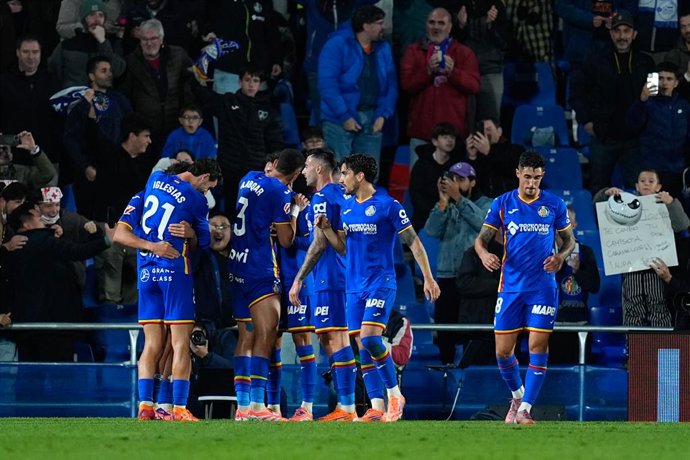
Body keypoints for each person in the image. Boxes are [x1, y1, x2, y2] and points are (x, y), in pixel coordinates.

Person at [299, 153, 440, 422]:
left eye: (345, 173)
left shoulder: (388, 205)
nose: (341, 179)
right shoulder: (349, 207)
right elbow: (342, 248)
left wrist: (428, 278)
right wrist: (327, 229)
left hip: (381, 283)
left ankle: (395, 395)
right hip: (354, 287)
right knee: (362, 347)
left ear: (359, 176)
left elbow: (414, 242)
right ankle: (376, 407)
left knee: (371, 339)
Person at [114, 158, 222, 422]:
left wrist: (151, 246)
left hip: (147, 272)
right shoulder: (196, 200)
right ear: (203, 177)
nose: (206, 193)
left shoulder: (151, 184)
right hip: (174, 270)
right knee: (179, 343)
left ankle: (148, 406)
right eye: (208, 187)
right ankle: (179, 408)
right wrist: (192, 234)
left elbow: (118, 235)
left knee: (153, 344)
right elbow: (206, 242)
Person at [474, 150, 575, 424]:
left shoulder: (554, 204)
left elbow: (569, 241)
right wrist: (484, 255)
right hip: (510, 288)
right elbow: (480, 241)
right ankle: (517, 396)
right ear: (518, 174)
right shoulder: (503, 203)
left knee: (537, 345)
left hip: (542, 287)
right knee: (502, 351)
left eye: (537, 178)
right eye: (528, 177)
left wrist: (561, 257)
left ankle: (525, 409)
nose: (532, 183)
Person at [228, 148, 305, 422]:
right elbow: (286, 240)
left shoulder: (247, 178)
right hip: (260, 269)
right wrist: (294, 210)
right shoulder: (281, 193)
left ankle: (243, 406)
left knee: (245, 336)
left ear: (272, 164)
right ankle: (259, 407)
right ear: (295, 175)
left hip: (236, 264)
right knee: (266, 334)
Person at [289, 148, 358, 422]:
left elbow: (319, 244)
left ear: (319, 169)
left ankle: (348, 408)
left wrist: (298, 279)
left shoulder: (324, 196)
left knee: (338, 339)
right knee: (329, 339)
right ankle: (345, 406)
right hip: (332, 277)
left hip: (331, 277)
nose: (303, 170)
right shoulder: (340, 195)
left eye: (306, 165)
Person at [3, 201, 114, 361]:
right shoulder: (44, 241)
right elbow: (76, 252)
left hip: (25, 327)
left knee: (29, 379)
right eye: (37, 216)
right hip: (54, 326)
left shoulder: (13, 249)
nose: (42, 217)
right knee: (61, 379)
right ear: (26, 224)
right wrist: (106, 240)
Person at [569, 10, 655, 192]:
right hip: (603, 136)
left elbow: (654, 100)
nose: (622, 36)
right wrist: (587, 121)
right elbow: (577, 92)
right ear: (610, 33)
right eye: (617, 31)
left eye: (626, 31)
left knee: (638, 190)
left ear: (634, 35)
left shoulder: (646, 63)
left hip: (635, 139)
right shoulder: (594, 60)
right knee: (599, 189)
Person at [594, 169, 690, 327]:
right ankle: (634, 349)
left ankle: (660, 349)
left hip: (657, 270)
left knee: (659, 308)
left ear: (658, 186)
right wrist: (606, 195)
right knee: (632, 310)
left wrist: (672, 203)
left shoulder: (666, 205)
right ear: (636, 186)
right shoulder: (622, 206)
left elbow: (682, 225)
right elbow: (600, 214)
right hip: (631, 270)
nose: (646, 184)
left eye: (651, 181)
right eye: (643, 181)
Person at [424, 161, 492, 365]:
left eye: (460, 180)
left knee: (471, 333)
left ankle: (471, 379)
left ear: (472, 182)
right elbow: (431, 231)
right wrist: (443, 203)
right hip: (447, 276)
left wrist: (459, 199)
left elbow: (484, 226)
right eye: (452, 179)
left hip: (473, 278)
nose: (455, 184)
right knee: (446, 334)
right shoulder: (448, 205)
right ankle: (446, 375)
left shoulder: (487, 203)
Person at [192, 66, 284, 217]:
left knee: (252, 211)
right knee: (229, 209)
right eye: (247, 80)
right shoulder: (227, 102)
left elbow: (275, 144)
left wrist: (272, 166)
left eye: (255, 80)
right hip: (228, 169)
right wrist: (194, 75)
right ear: (240, 82)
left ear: (260, 84)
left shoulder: (268, 110)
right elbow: (203, 96)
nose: (251, 84)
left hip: (255, 170)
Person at [318, 5, 397, 165]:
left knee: (367, 177)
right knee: (339, 174)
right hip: (339, 121)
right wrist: (344, 116)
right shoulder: (337, 44)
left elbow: (391, 84)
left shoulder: (384, 47)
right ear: (366, 26)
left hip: (372, 118)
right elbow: (328, 84)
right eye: (380, 23)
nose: (384, 27)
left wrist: (383, 114)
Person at [400, 7, 480, 166]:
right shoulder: (413, 51)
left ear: (450, 27)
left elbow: (474, 86)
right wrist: (427, 71)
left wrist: (453, 73)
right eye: (432, 22)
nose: (436, 27)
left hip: (453, 136)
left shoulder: (464, 53)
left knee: (452, 185)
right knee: (419, 186)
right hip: (421, 133)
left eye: (441, 23)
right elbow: (407, 85)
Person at [63, 54, 132, 219]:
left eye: (110, 70)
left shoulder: (121, 101)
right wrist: (85, 165)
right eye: (103, 70)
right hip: (91, 171)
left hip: (116, 169)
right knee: (90, 218)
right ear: (91, 76)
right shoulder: (80, 105)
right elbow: (71, 139)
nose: (109, 74)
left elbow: (132, 130)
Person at [120, 18, 193, 155]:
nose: (149, 43)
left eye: (153, 38)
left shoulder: (178, 55)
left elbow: (192, 81)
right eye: (144, 39)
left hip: (175, 127)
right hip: (145, 132)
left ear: (161, 38)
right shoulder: (130, 62)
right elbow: (124, 96)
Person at [626, 61, 690, 198]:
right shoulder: (647, 103)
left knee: (673, 208)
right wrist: (642, 100)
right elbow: (632, 125)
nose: (664, 82)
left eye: (669, 79)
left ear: (676, 83)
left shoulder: (684, 106)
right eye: (660, 78)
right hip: (653, 167)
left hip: (677, 168)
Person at [0, 35, 60, 164]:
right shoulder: (4, 81)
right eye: (26, 52)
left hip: (47, 156)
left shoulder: (52, 81)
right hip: (14, 158)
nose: (31, 56)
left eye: (35, 52)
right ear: (17, 53)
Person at [48, 0, 126, 88]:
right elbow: (52, 68)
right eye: (92, 15)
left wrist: (103, 43)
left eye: (100, 15)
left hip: (102, 96)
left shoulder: (112, 43)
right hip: (75, 95)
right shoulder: (69, 44)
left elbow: (118, 71)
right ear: (84, 19)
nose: (96, 19)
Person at [455, 1, 509, 121]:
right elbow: (453, 43)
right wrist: (461, 26)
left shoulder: (497, 6)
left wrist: (490, 26)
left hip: (491, 70)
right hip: (465, 72)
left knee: (491, 121)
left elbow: (504, 43)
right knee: (464, 120)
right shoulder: (459, 6)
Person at [409, 122, 461, 230]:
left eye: (452, 137)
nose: (450, 140)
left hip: (450, 215)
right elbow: (416, 196)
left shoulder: (456, 166)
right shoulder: (421, 164)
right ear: (435, 141)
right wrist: (436, 209)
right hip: (424, 216)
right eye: (445, 137)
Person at [554, 207, 600, 324]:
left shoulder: (585, 252)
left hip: (579, 321)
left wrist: (577, 271)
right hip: (550, 321)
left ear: (574, 225)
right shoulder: (544, 252)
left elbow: (594, 287)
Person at [465, 117, 524, 199]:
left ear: (499, 131)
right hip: (484, 204)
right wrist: (472, 157)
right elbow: (472, 184)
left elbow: (517, 171)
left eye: (488, 129)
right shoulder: (478, 156)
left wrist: (489, 152)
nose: (485, 133)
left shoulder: (515, 150)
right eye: (482, 130)